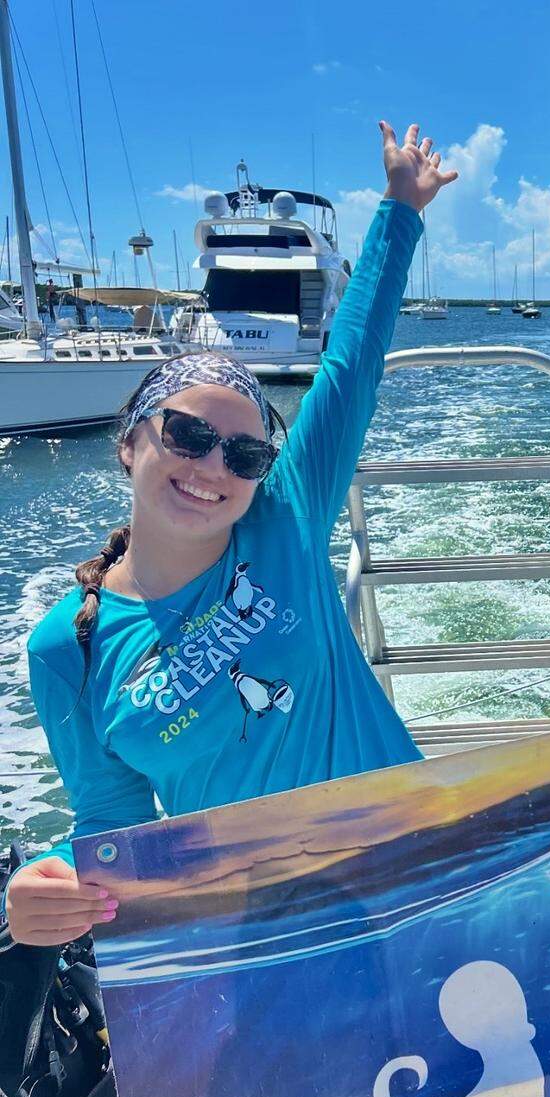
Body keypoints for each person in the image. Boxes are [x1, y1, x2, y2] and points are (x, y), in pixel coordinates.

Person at [5, 121, 458, 947]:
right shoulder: (63, 649)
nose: (213, 466)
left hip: (410, 868)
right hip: (257, 935)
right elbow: (114, 824)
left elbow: (350, 369)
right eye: (186, 435)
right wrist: (49, 894)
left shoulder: (283, 521)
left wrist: (400, 208)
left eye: (245, 452)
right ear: (131, 442)